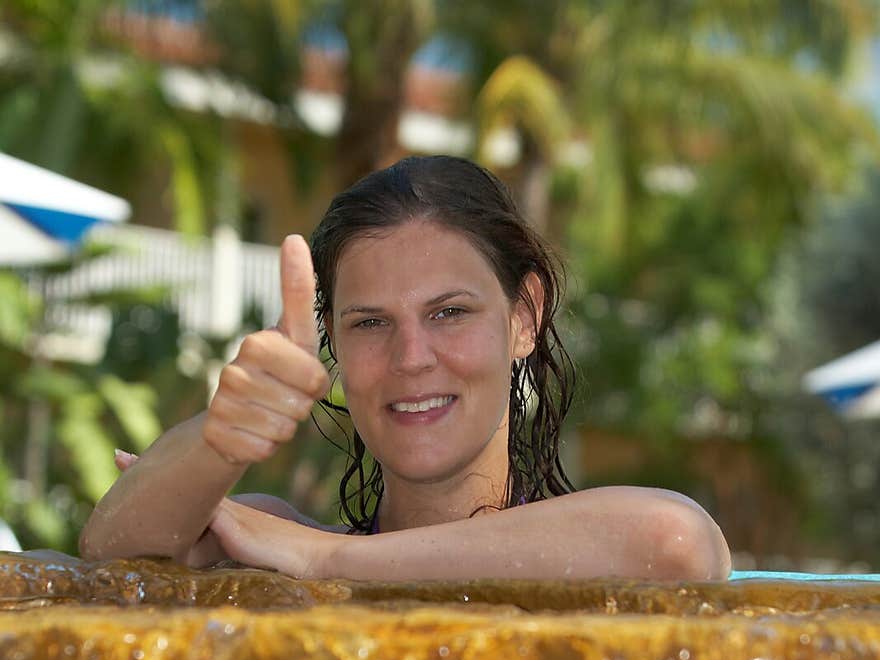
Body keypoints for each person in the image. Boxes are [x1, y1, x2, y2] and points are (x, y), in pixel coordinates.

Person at [79, 156, 731, 582]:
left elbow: (679, 545)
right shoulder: (277, 541)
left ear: (523, 318)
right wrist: (220, 440)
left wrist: (335, 560)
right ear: (330, 339)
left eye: (449, 312)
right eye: (370, 323)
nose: (412, 358)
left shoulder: (302, 555)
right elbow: (113, 552)